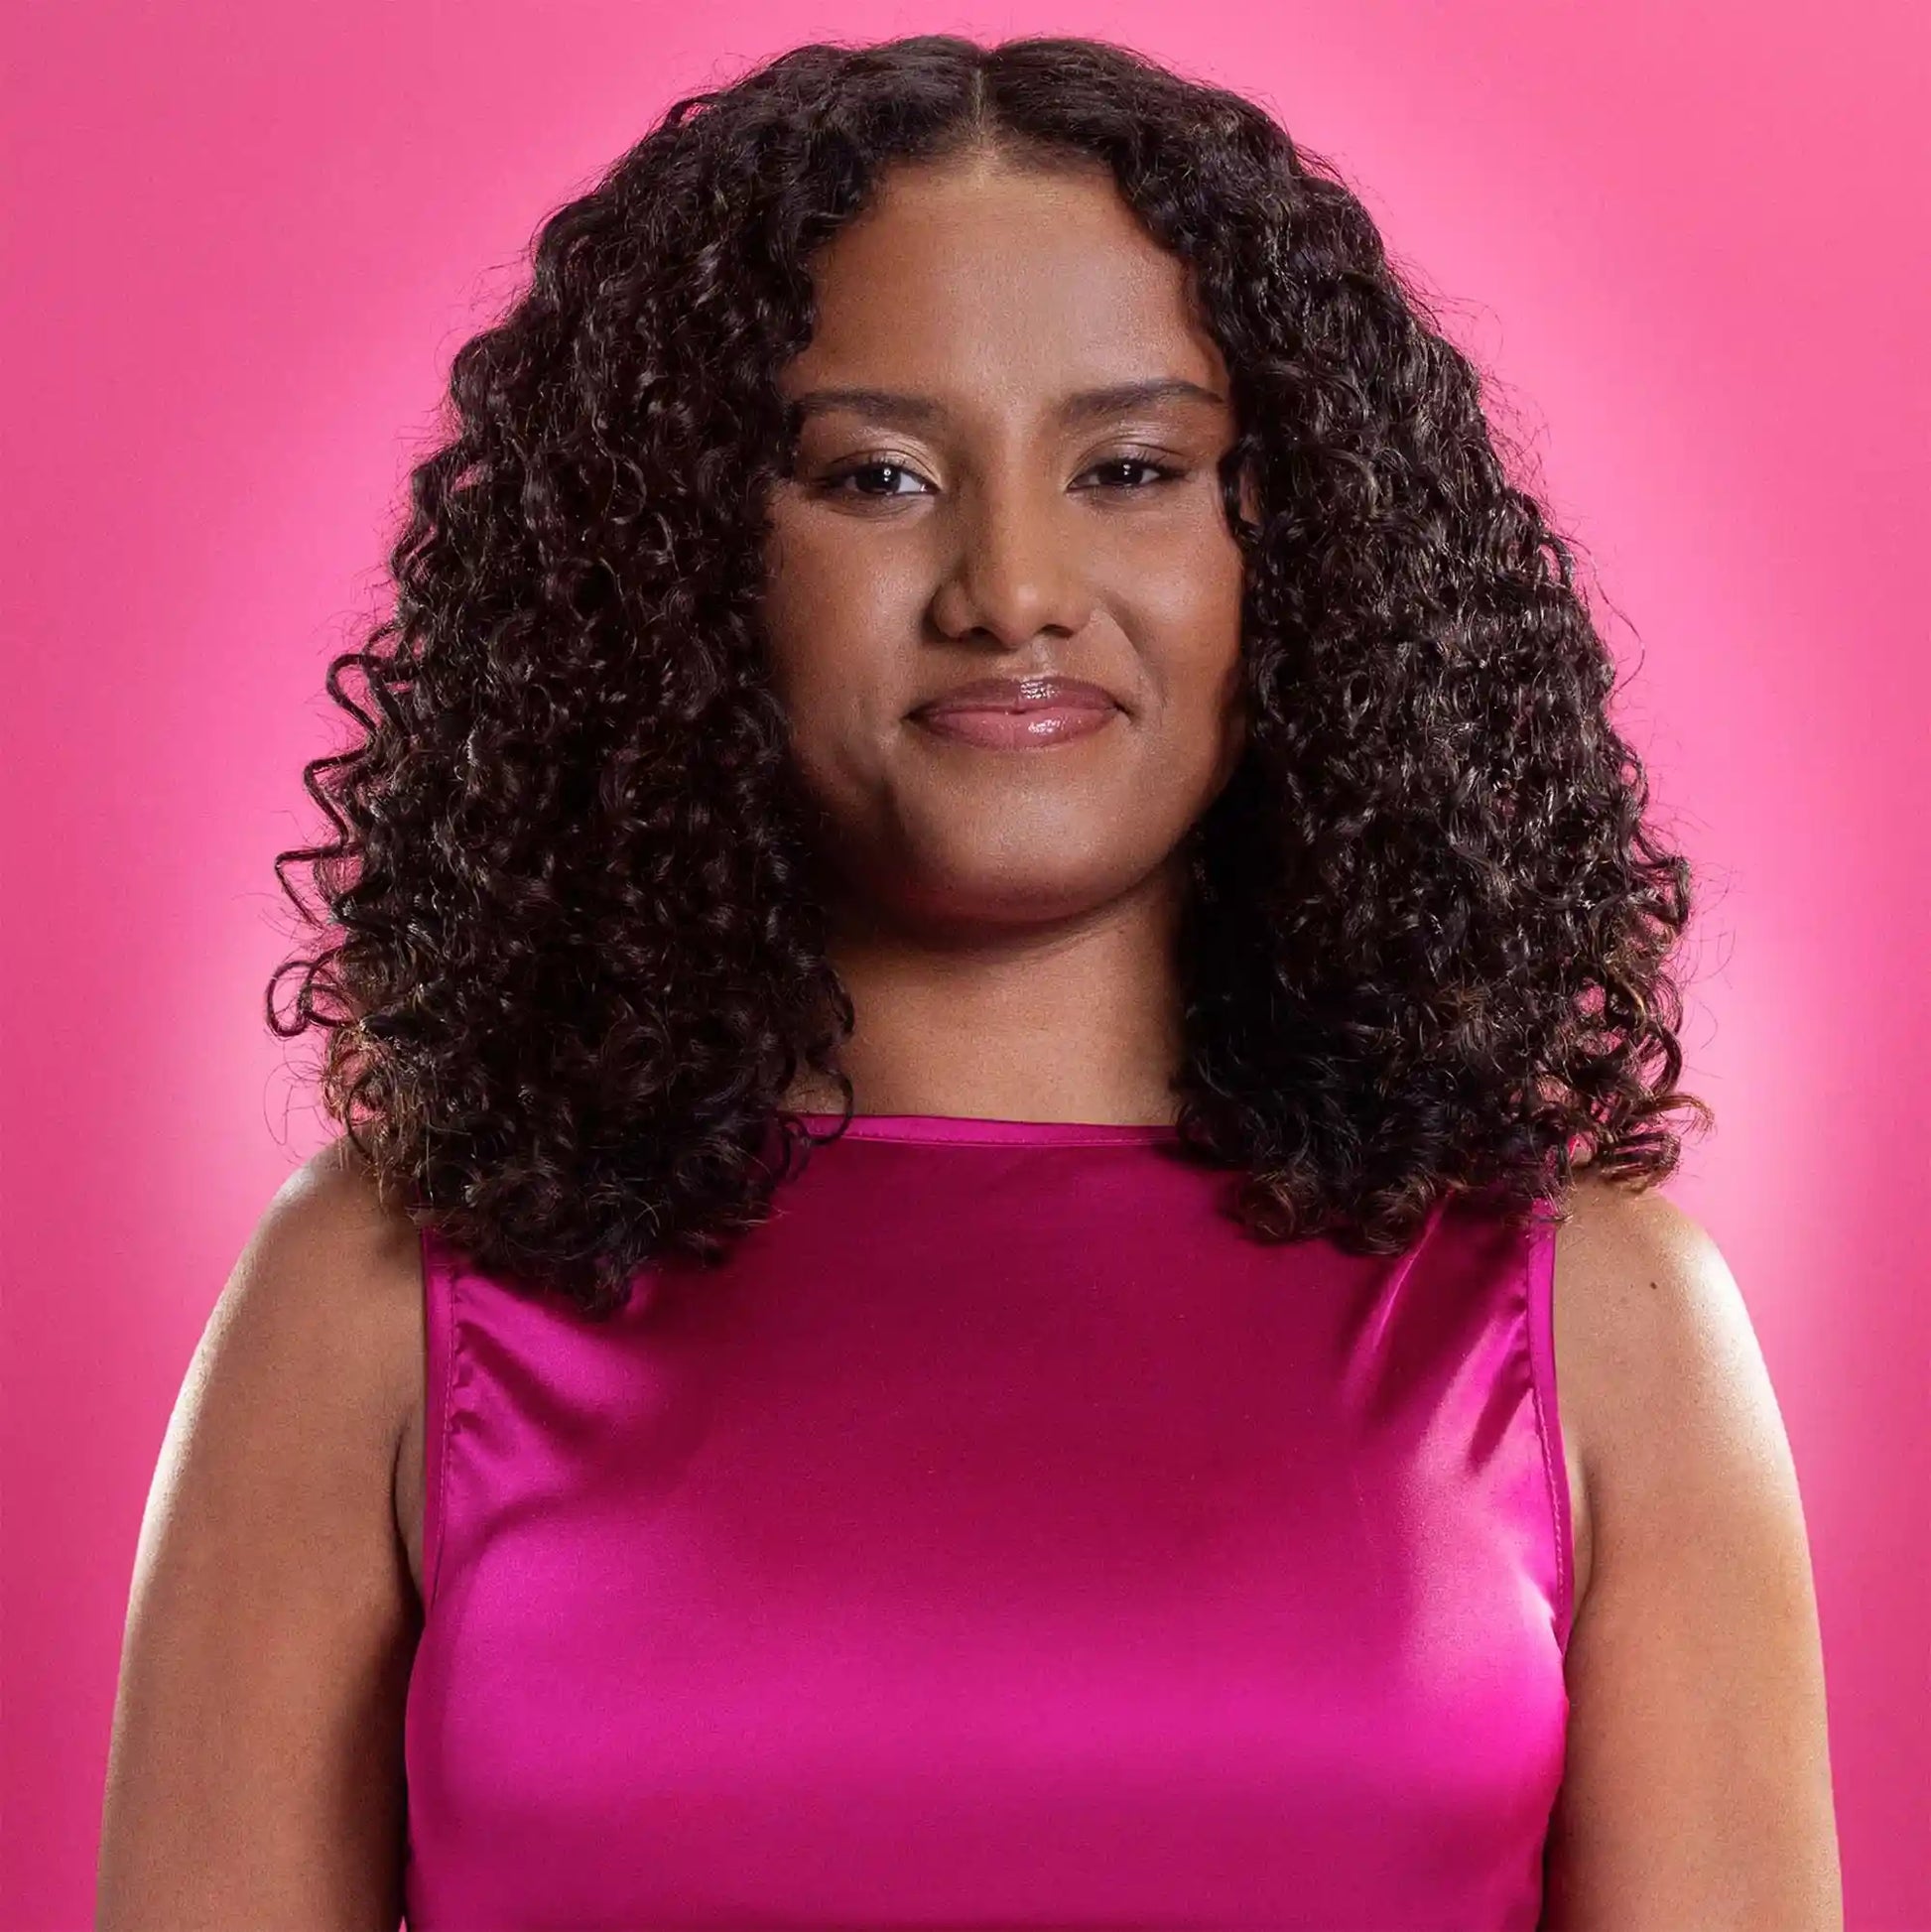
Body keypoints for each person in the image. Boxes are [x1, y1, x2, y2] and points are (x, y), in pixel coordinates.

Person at [95, 32, 1842, 1931]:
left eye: (1131, 468)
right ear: (683, 555)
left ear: (1304, 549)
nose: (1009, 588)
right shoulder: (383, 1294)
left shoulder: (1588, 1320)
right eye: (875, 475)